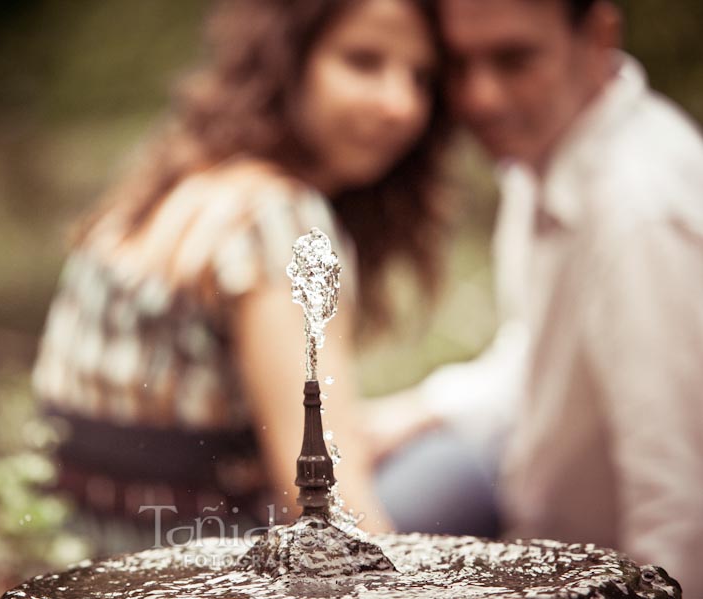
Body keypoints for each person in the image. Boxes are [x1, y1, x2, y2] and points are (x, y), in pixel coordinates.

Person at [32, 0, 451, 551]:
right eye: (363, 61)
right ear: (285, 64)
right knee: (460, 465)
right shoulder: (279, 217)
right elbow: (323, 504)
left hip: (88, 550)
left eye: (421, 78)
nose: (400, 104)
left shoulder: (179, 183)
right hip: (202, 561)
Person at [378, 0, 703, 593]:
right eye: (458, 65)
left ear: (598, 36)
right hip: (523, 509)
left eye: (514, 58)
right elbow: (544, 357)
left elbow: (679, 507)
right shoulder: (549, 158)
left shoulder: (640, 215)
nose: (479, 97)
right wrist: (411, 415)